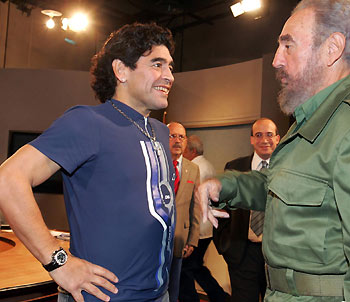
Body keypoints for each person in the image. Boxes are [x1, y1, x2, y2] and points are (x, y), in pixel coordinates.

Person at [196, 0, 350, 301]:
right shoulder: (311, 121)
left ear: (332, 48)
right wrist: (225, 184)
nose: (276, 60)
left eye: (288, 46)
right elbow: (280, 187)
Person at [0, 22, 176, 302]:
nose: (169, 76)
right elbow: (8, 180)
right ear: (121, 70)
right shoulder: (88, 122)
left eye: (170, 66)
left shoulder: (161, 131)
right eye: (157, 64)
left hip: (159, 295)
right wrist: (59, 262)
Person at [213, 118, 279, 302]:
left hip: (275, 255)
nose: (264, 140)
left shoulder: (287, 169)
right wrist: (225, 245)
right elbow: (222, 209)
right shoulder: (234, 167)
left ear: (278, 138)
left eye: (269, 135)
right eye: (258, 135)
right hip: (242, 252)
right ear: (251, 139)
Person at [180, 135, 229, 302]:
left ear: (192, 151)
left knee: (186, 269)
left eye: (185, 149)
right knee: (195, 267)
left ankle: (214, 297)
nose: (182, 153)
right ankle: (220, 297)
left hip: (197, 227)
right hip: (207, 226)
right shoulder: (207, 164)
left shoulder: (194, 167)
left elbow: (191, 199)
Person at [167, 122, 200, 302]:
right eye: (172, 136)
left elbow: (196, 206)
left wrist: (193, 239)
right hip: (154, 239)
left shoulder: (193, 168)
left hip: (180, 239)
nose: (177, 140)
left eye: (181, 137)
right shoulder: (157, 164)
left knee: (174, 290)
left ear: (186, 141)